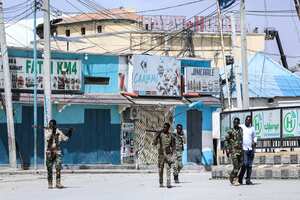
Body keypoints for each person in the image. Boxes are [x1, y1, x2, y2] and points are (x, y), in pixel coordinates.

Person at [45, 119, 73, 189]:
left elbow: (65, 138)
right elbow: (49, 139)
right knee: (49, 168)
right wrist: (53, 132)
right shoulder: (47, 131)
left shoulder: (59, 131)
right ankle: (50, 183)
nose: (50, 126)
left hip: (57, 152)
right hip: (49, 152)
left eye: (52, 124)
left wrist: (70, 132)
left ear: (55, 125)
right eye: (50, 124)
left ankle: (58, 183)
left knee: (58, 167)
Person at [153, 122, 175, 188]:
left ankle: (168, 183)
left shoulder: (171, 135)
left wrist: (173, 154)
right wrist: (157, 134)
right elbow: (154, 143)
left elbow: (173, 145)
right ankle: (161, 182)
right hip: (161, 154)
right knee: (160, 169)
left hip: (168, 154)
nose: (164, 128)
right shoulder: (160, 134)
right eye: (164, 127)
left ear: (168, 128)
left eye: (166, 127)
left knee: (168, 168)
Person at [224, 118, 243, 186]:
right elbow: (226, 140)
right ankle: (235, 179)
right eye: (235, 122)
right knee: (236, 166)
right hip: (234, 150)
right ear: (233, 123)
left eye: (237, 122)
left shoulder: (241, 129)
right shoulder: (230, 131)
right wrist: (227, 149)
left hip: (240, 150)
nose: (236, 124)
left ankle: (231, 176)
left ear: (239, 123)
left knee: (240, 165)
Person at [238, 115, 257, 185]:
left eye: (249, 120)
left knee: (249, 165)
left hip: (251, 149)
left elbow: (255, 136)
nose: (248, 121)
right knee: (245, 164)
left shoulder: (252, 128)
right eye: (247, 120)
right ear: (245, 120)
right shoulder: (242, 127)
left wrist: (255, 142)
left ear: (250, 122)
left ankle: (248, 180)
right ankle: (240, 178)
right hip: (244, 149)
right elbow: (236, 128)